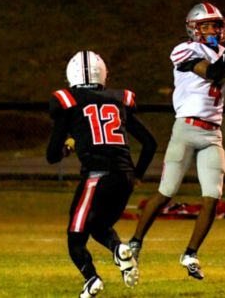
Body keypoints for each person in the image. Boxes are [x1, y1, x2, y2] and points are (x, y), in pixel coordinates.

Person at [128, 2, 225, 280]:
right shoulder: (184, 50)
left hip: (213, 132)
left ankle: (190, 253)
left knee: (212, 198)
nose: (213, 30)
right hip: (186, 129)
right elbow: (213, 72)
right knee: (166, 193)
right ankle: (135, 243)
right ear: (193, 28)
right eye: (206, 25)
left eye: (216, 25)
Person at [46, 51, 157, 297]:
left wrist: (69, 145)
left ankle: (91, 279)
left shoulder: (68, 101)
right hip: (124, 176)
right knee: (99, 225)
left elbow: (52, 155)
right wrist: (136, 175)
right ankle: (119, 250)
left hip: (96, 176)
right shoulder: (119, 99)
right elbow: (150, 143)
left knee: (75, 237)